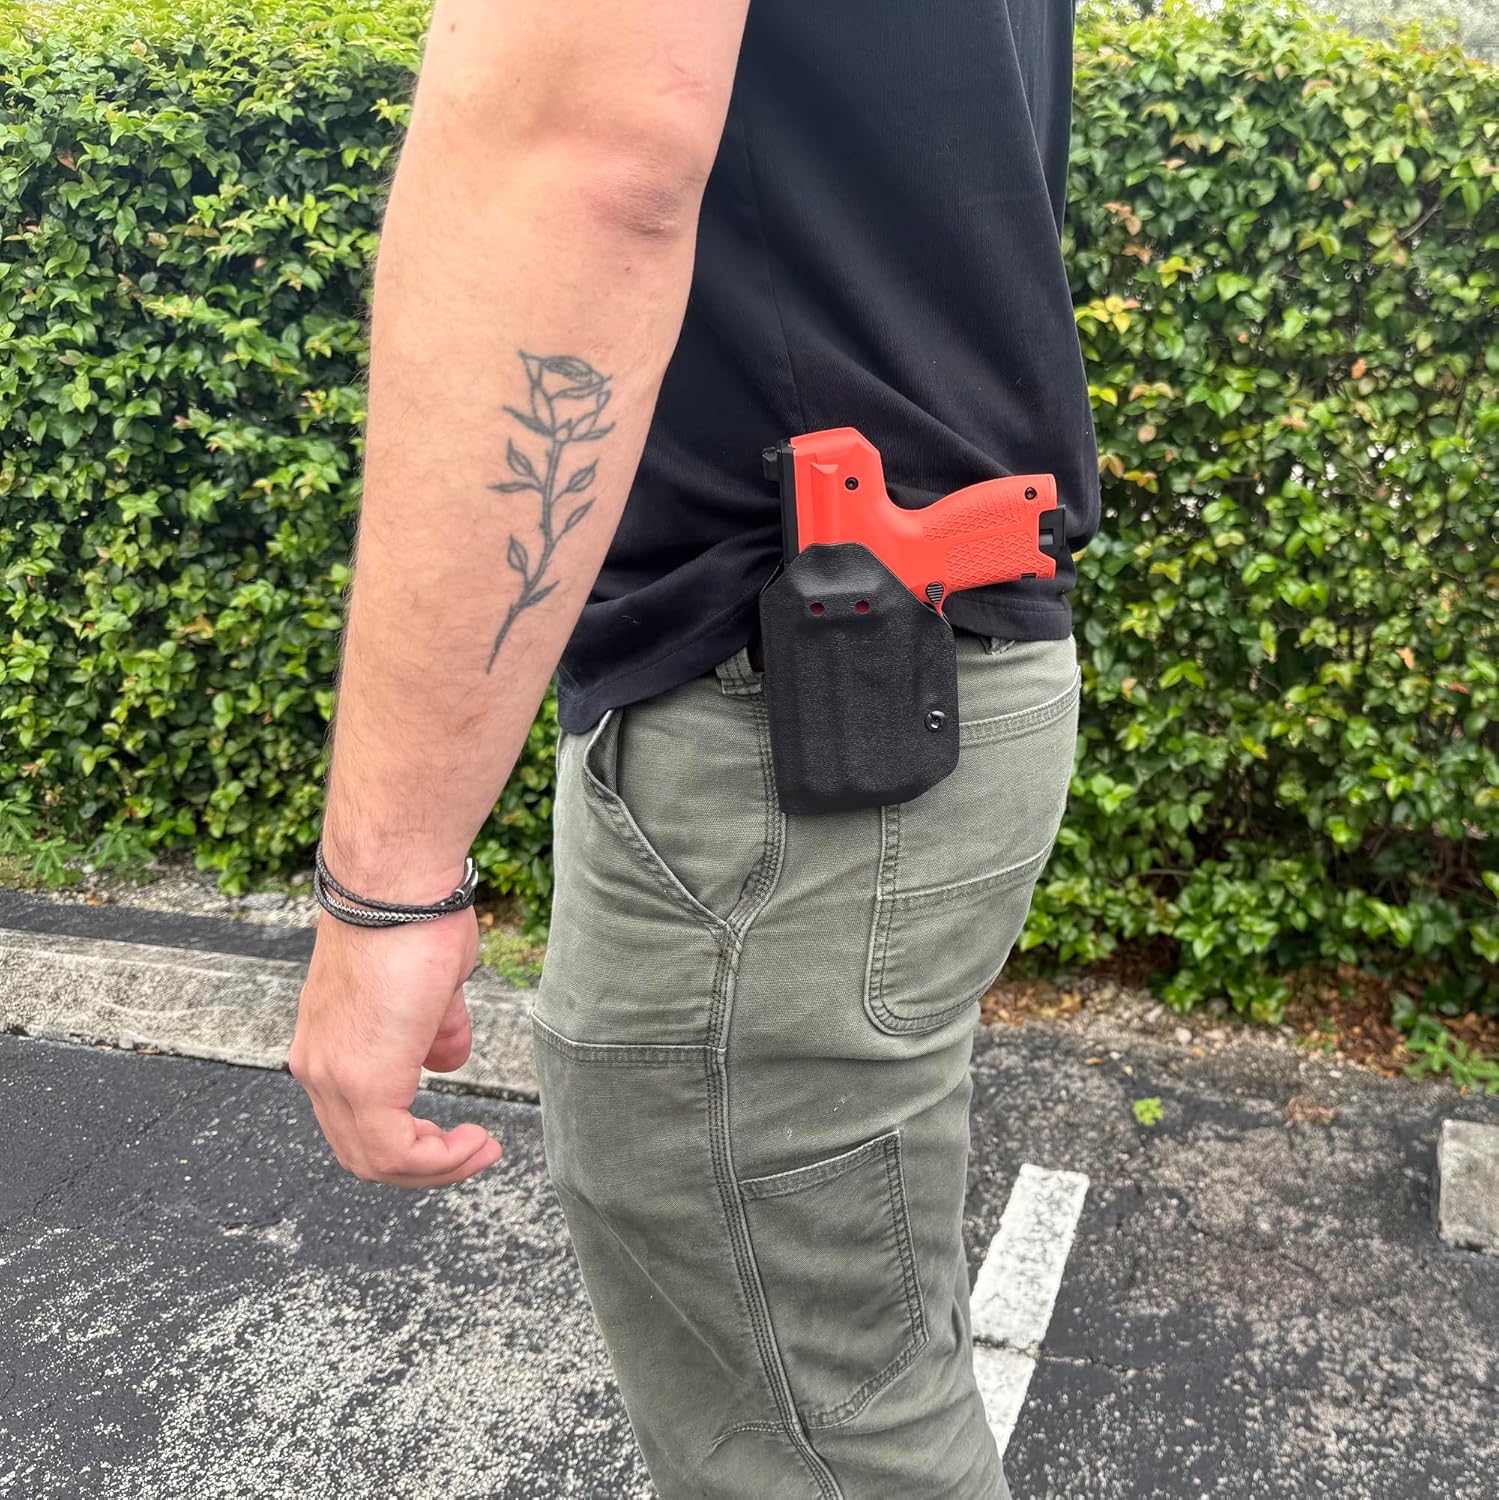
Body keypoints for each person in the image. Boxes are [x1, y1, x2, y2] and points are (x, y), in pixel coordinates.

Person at [291, 0, 1099, 1494]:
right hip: (877, 682)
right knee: (854, 1391)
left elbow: (583, 158)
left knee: (824, 1448)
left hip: (794, 717)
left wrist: (387, 884)